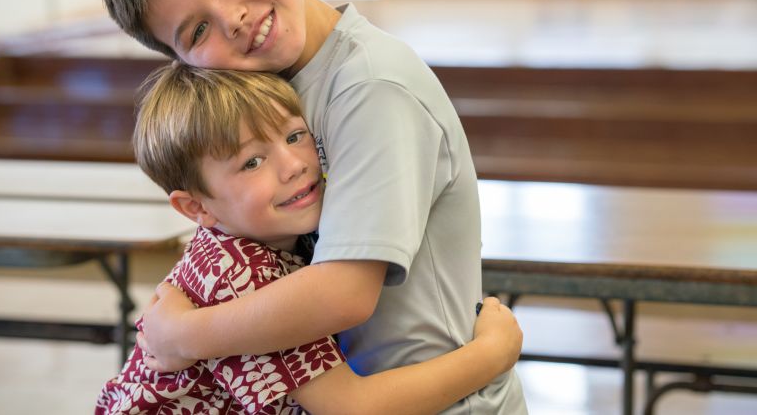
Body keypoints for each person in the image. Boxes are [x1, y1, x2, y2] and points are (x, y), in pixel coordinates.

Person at [97, 0, 527, 413]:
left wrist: (184, 335)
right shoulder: (269, 96)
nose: (232, 17)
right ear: (186, 62)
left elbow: (344, 293)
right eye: (199, 29)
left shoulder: (371, 86)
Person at [95, 63, 522, 414]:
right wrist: (492, 353)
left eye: (295, 136)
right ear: (197, 208)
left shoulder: (254, 242)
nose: (294, 165)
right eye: (252, 162)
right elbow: (354, 408)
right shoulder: (242, 278)